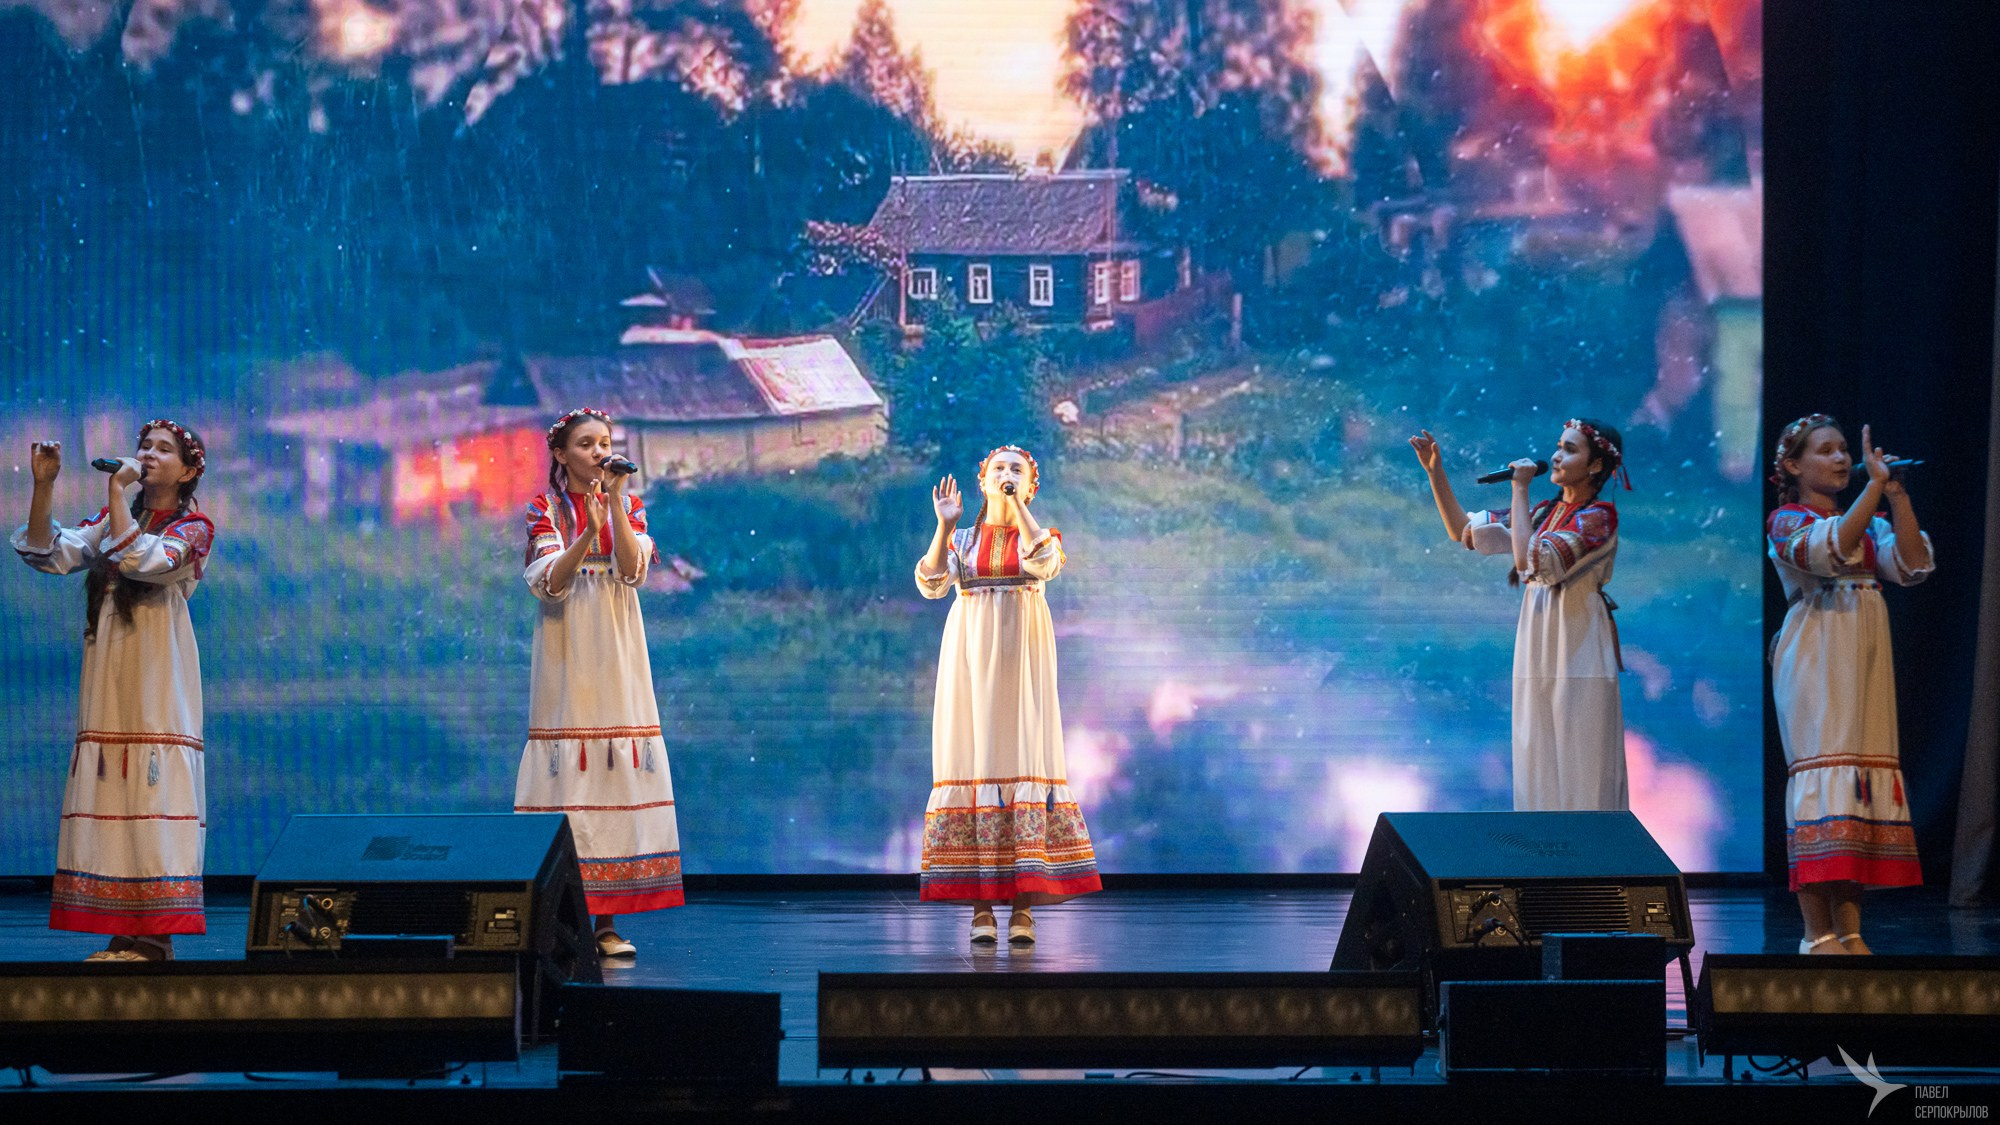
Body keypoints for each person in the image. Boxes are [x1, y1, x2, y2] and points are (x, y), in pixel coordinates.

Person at [13, 422, 215, 961]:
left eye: (163, 449)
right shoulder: (112, 518)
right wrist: (44, 485)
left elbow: (144, 561)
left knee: (151, 789)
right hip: (110, 672)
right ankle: (127, 932)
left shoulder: (194, 527)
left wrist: (116, 492)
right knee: (115, 790)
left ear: (188, 471)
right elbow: (46, 552)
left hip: (155, 674)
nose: (148, 454)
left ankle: (156, 936)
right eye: (144, 446)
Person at [916, 445, 1101, 944]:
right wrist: (944, 526)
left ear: (1032, 485)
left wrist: (1016, 504)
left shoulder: (1040, 535)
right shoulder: (963, 540)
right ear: (982, 481)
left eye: (1017, 470)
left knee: (1022, 758)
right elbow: (931, 583)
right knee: (974, 760)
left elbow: (1044, 563)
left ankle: (1023, 908)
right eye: (998, 468)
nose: (1006, 473)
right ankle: (981, 909)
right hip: (971, 660)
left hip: (1022, 662)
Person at [514, 408, 682, 958]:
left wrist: (612, 505)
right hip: (568, 653)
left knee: (615, 773)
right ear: (561, 454)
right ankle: (562, 922)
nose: (598, 452)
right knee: (569, 782)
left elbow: (633, 571)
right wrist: (586, 531)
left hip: (618, 651)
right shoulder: (545, 509)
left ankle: (606, 923)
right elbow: (551, 583)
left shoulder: (627, 505)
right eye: (586, 444)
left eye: (604, 443)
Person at [1766, 415, 1930, 954]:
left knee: (1857, 782)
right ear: (1794, 465)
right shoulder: (1787, 520)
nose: (1841, 459)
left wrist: (1896, 496)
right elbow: (1830, 550)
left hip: (1863, 658)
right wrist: (1873, 488)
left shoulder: (1869, 521)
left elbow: (1912, 565)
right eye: (1826, 450)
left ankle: (1850, 929)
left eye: (1843, 450)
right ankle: (1816, 933)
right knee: (1823, 776)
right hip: (1816, 653)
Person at [1410, 420, 1630, 811]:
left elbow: (1533, 564)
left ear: (1596, 465)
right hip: (1538, 641)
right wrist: (1435, 472)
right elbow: (1462, 531)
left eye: (1570, 450)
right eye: (1558, 446)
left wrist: (1520, 487)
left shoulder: (1599, 517)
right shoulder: (1544, 513)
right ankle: (1541, 848)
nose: (1556, 456)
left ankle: (1593, 849)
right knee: (1537, 755)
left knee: (1582, 762)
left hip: (1577, 645)